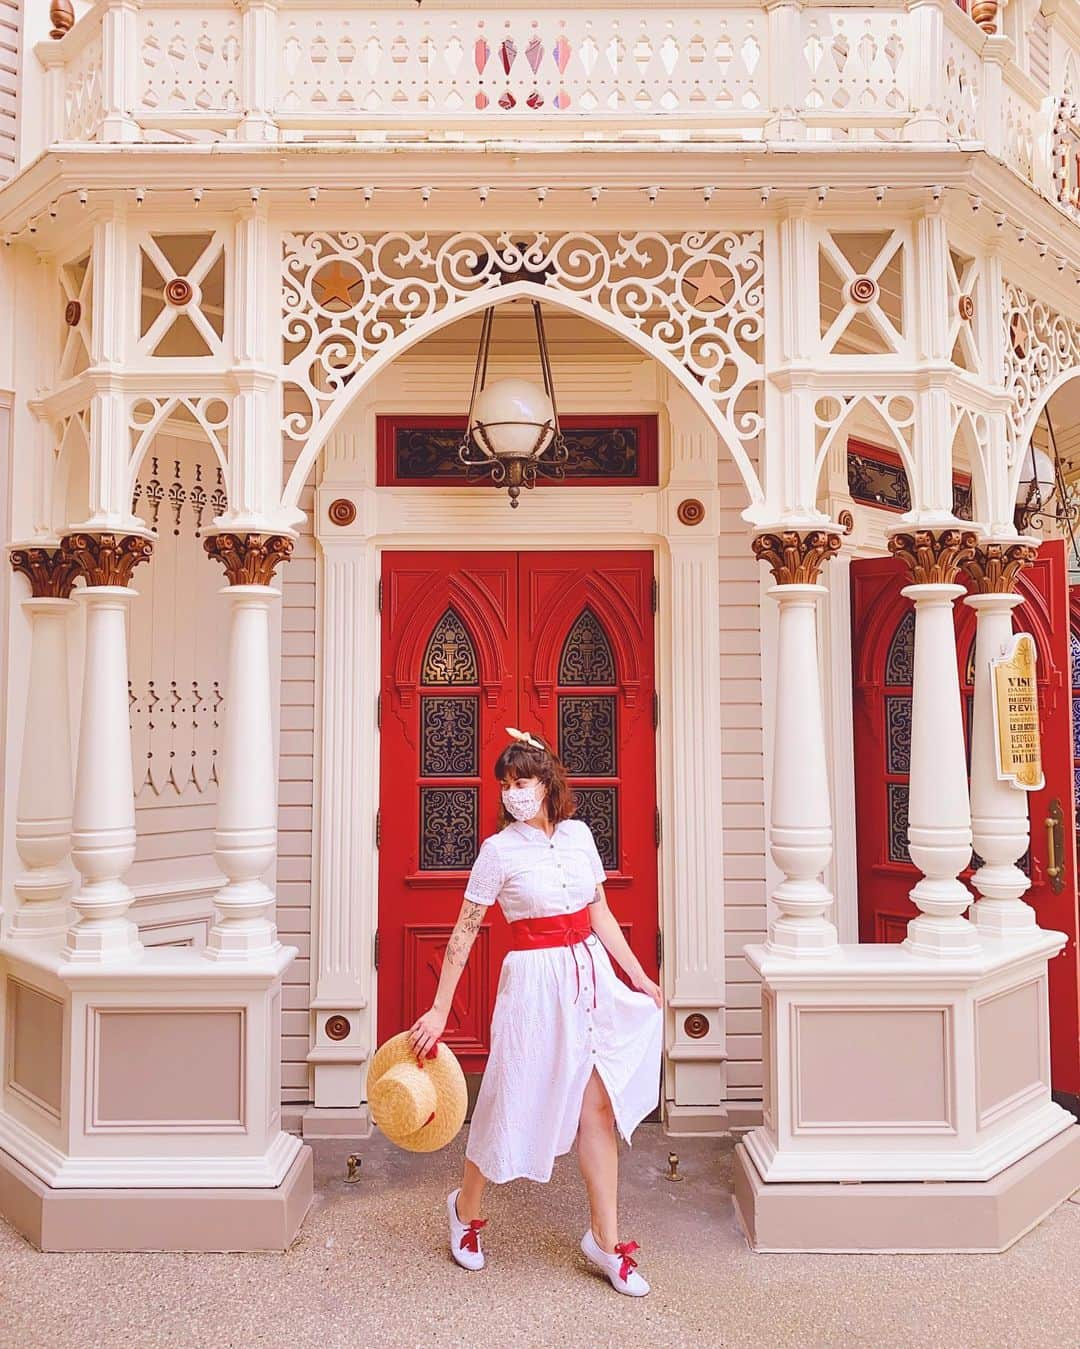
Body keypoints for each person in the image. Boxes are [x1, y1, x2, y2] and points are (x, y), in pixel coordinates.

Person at [407, 728, 664, 1296]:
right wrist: (439, 1007)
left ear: (547, 785)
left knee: (597, 1109)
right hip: (531, 985)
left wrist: (639, 975)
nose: (511, 794)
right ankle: (465, 1210)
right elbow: (465, 930)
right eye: (504, 785)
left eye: (520, 782)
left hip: (589, 975)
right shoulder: (497, 852)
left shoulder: (578, 837)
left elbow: (599, 911)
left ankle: (605, 1239)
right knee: (507, 1096)